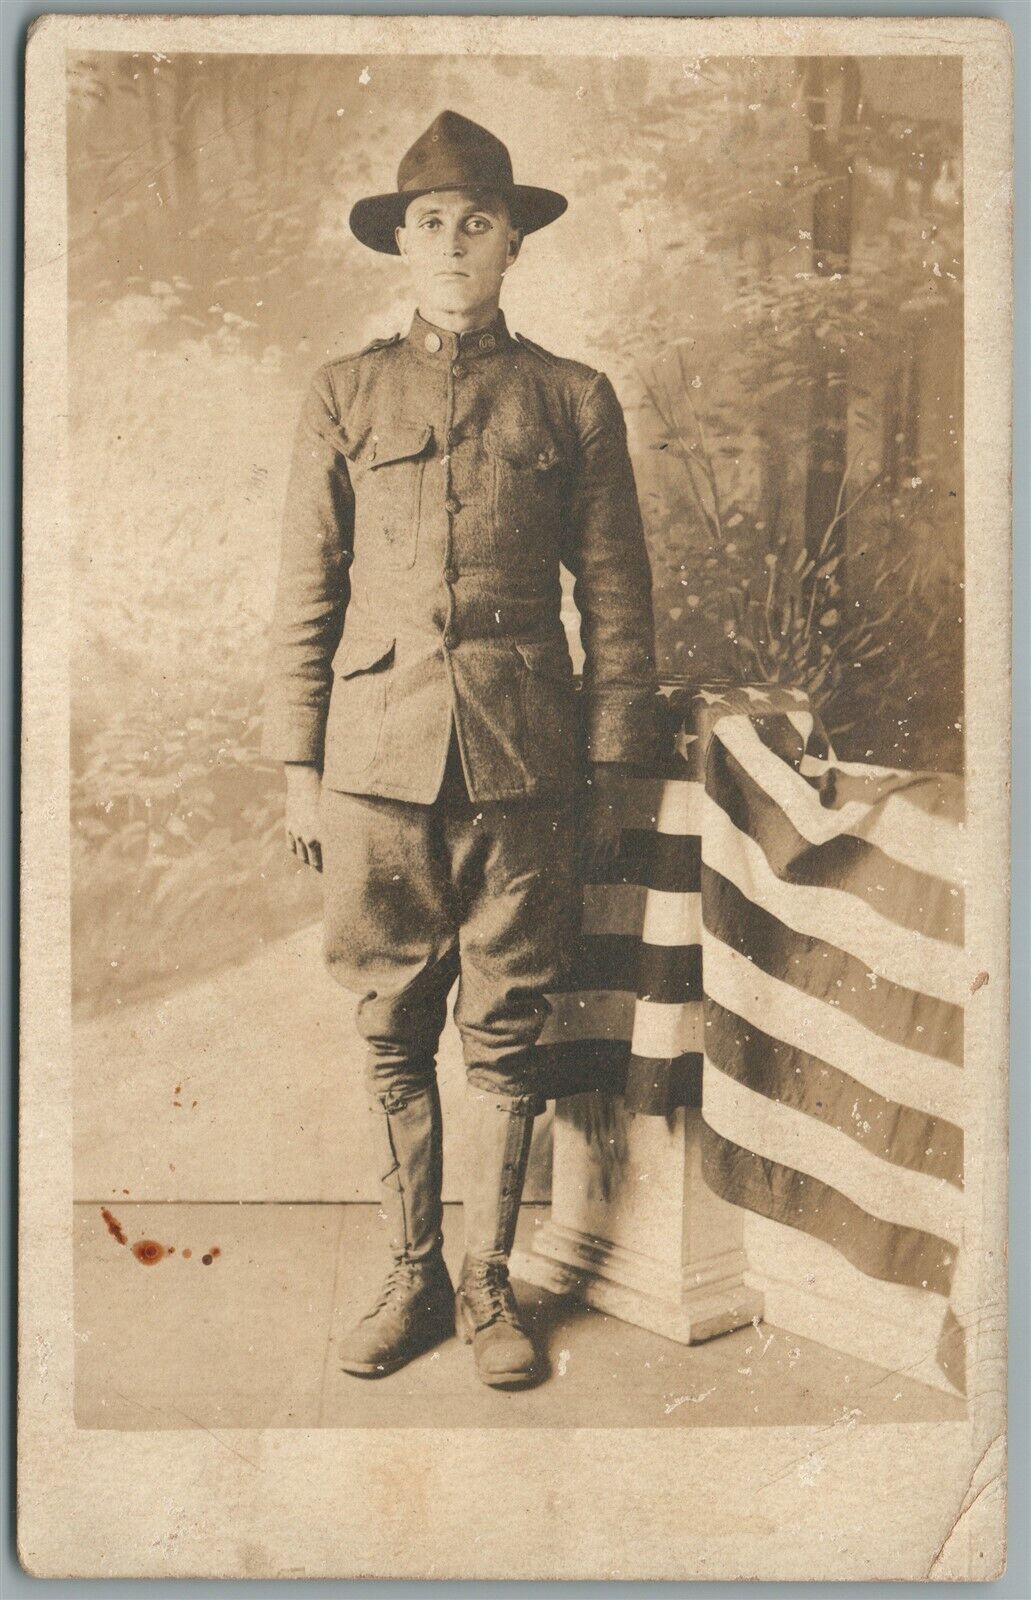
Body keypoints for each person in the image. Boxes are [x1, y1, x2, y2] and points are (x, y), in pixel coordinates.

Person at [261, 110, 659, 1390]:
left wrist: (604, 770)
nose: (451, 244)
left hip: (524, 762)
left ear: (512, 244)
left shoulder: (571, 397)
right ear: (400, 244)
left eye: (475, 223)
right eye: (427, 223)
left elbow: (616, 601)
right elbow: (304, 597)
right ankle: (409, 1273)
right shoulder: (343, 390)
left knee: (506, 1030)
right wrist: (296, 769)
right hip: (374, 763)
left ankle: (487, 1288)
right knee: (390, 1026)